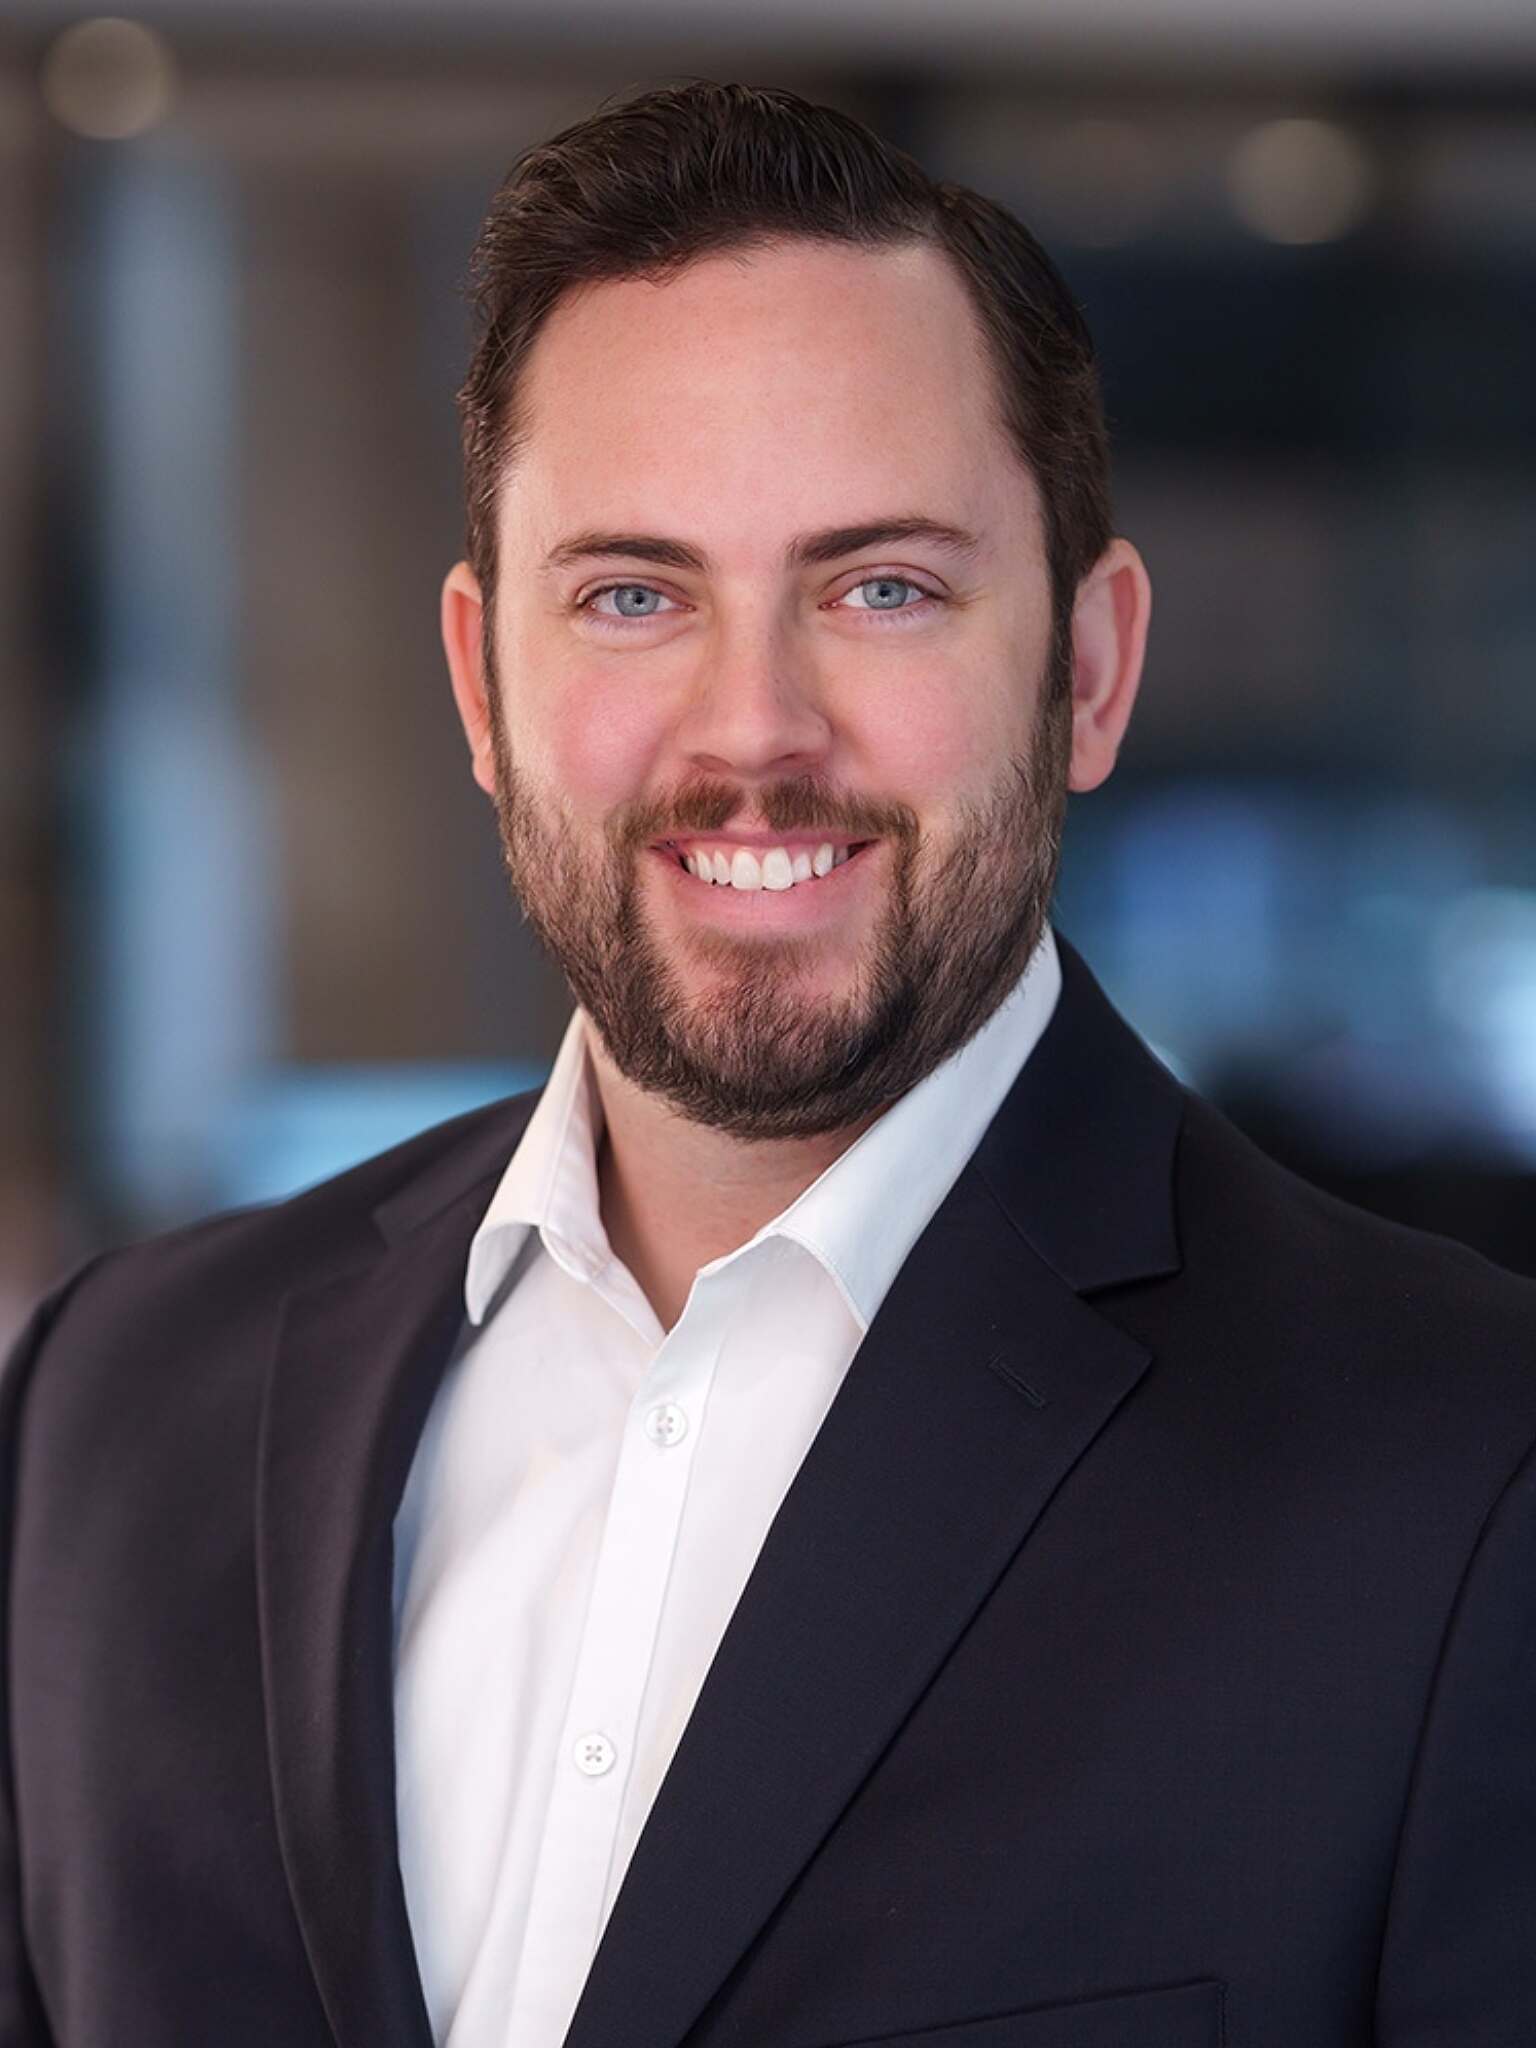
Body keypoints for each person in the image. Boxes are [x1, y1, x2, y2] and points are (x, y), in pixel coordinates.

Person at [2, 80, 1533, 2048]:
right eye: (634, 595)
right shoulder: (111, 1415)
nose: (756, 729)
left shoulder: (1465, 1481)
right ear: (481, 684)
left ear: (1087, 666)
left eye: (879, 586)